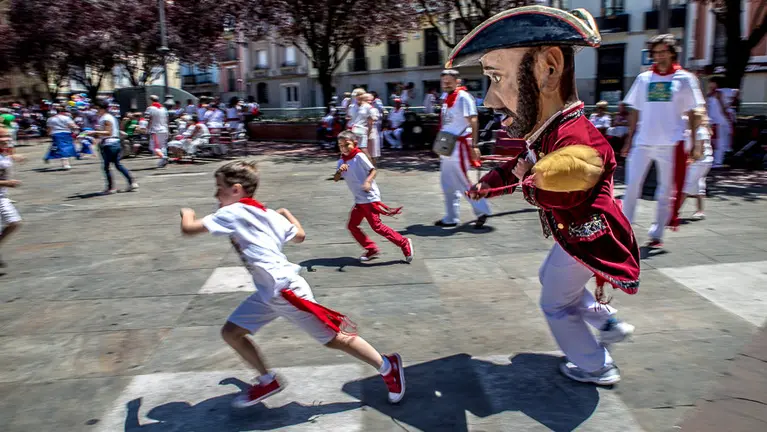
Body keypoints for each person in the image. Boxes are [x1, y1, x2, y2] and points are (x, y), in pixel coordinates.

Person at [455, 5, 639, 385]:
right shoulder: (551, 130)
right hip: (577, 233)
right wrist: (492, 181)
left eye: (497, 77)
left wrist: (529, 182)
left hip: (589, 234)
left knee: (554, 304)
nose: (490, 99)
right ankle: (610, 322)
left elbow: (566, 187)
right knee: (548, 277)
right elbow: (523, 166)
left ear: (549, 68)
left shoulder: (575, 137)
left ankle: (595, 365)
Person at [178, 160, 406, 407]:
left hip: (286, 292)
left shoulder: (232, 212)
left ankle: (387, 366)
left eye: (219, 187)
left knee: (334, 339)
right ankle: (268, 380)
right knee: (231, 332)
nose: (216, 193)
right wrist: (285, 214)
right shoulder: (264, 213)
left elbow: (189, 228)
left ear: (236, 189)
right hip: (270, 292)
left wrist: (186, 213)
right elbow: (300, 236)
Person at [621, 34, 706, 246]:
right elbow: (635, 110)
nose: (658, 56)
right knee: (631, 186)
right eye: (655, 53)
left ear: (671, 52)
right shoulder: (644, 79)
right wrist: (629, 139)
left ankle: (657, 232)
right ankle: (624, 229)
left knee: (665, 191)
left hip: (671, 144)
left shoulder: (685, 79)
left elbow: (696, 112)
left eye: (662, 52)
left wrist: (695, 144)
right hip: (643, 142)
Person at [334, 131, 414, 262]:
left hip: (369, 198)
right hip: (360, 200)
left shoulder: (359, 156)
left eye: (346, 145)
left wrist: (368, 181)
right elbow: (336, 178)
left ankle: (403, 242)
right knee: (352, 226)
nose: (343, 148)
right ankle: (371, 248)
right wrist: (339, 171)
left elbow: (373, 170)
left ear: (355, 144)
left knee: (377, 227)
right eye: (340, 145)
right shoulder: (342, 160)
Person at [436, 69, 490, 229]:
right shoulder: (447, 98)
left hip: (458, 146)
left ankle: (482, 210)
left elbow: (473, 120)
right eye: (443, 81)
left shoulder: (463, 97)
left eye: (449, 81)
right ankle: (451, 217)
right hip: (447, 145)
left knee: (461, 180)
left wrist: (474, 145)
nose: (445, 84)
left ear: (457, 81)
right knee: (447, 183)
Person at [88, 100, 138, 194]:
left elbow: (108, 132)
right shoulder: (110, 117)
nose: (96, 111)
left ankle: (111, 188)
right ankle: (132, 182)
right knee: (117, 164)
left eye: (97, 109)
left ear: (102, 109)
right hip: (115, 142)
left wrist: (94, 132)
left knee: (107, 167)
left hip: (109, 144)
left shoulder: (105, 118)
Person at [680, 110, 713, 220]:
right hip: (702, 161)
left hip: (699, 162)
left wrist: (691, 160)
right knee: (698, 185)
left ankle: (674, 211)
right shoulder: (699, 130)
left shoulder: (700, 131)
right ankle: (700, 211)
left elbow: (700, 150)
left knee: (686, 185)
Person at [0, 126, 24, 268]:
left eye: (8, 136)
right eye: (3, 137)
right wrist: (6, 182)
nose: (7, 139)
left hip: (2, 196)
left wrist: (13, 156)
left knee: (14, 222)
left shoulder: (4, 152)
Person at [706, 76, 734, 168]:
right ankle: (714, 160)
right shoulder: (710, 94)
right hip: (712, 121)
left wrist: (728, 118)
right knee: (713, 141)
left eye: (711, 82)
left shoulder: (721, 93)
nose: (709, 84)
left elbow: (723, 108)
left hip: (720, 121)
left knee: (719, 141)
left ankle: (718, 161)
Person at [145, 95, 170, 168]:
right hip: (164, 130)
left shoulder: (150, 109)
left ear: (150, 100)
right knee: (163, 146)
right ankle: (162, 162)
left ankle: (163, 157)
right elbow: (167, 120)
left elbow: (148, 119)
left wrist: (146, 128)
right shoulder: (164, 109)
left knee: (154, 147)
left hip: (155, 130)